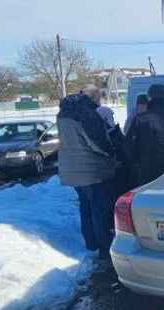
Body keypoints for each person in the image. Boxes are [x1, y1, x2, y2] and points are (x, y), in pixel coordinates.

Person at [56, 87, 117, 263]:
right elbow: (97, 143)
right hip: (90, 170)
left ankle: (90, 243)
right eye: (98, 97)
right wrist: (112, 153)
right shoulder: (87, 114)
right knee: (99, 209)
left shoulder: (64, 113)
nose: (100, 101)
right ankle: (104, 247)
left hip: (71, 169)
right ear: (93, 98)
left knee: (85, 207)